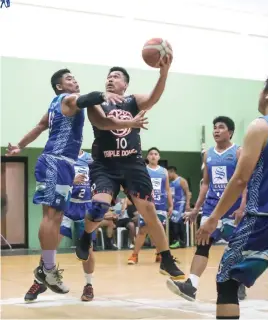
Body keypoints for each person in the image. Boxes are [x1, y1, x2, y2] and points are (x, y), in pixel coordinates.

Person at [6, 68, 149, 294]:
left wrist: (20, 145)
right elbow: (86, 98)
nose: (75, 81)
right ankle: (48, 268)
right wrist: (104, 96)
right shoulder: (68, 98)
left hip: (59, 163)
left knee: (54, 216)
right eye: (69, 79)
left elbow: (39, 127)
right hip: (56, 161)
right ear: (60, 87)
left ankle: (48, 268)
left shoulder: (54, 105)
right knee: (52, 216)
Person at [76, 58, 185, 280]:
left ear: (125, 84)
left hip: (132, 164)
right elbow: (103, 124)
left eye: (115, 76)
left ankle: (165, 258)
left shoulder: (132, 101)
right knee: (99, 206)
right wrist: (130, 124)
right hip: (105, 164)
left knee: (149, 211)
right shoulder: (96, 102)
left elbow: (154, 98)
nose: (110, 79)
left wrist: (163, 73)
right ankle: (86, 237)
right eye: (108, 76)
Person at [196, 72, 268, 320]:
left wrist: (213, 218)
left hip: (263, 218)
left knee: (227, 280)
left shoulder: (261, 126)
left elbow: (241, 178)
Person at [166, 116, 247, 300]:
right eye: (214, 128)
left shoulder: (238, 152)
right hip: (211, 207)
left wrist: (242, 206)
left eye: (221, 127)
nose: (216, 130)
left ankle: (238, 282)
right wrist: (196, 209)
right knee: (202, 245)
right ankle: (191, 286)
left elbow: (245, 182)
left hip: (232, 209)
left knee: (236, 247)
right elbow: (205, 184)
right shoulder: (208, 154)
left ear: (230, 132)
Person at [24, 149, 96, 302]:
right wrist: (72, 180)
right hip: (66, 207)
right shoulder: (61, 157)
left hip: (85, 207)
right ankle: (39, 281)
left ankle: (89, 285)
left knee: (87, 249)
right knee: (50, 244)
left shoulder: (90, 159)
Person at [127, 147, 173, 264]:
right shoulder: (143, 170)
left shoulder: (163, 171)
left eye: (156, 154)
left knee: (159, 229)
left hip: (161, 205)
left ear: (159, 157)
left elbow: (167, 189)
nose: (153, 156)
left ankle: (159, 254)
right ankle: (135, 255)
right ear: (147, 157)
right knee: (142, 230)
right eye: (151, 154)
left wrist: (171, 205)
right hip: (146, 204)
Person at [168, 166, 191, 249]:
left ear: (172, 172)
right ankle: (176, 240)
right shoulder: (170, 183)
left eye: (168, 174)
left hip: (181, 203)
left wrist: (188, 204)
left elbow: (188, 193)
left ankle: (181, 241)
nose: (168, 176)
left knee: (178, 221)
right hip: (174, 205)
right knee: (173, 222)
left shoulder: (181, 180)